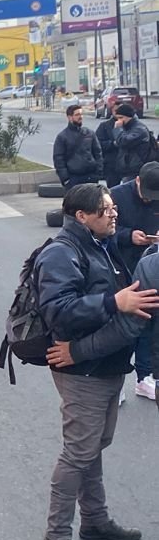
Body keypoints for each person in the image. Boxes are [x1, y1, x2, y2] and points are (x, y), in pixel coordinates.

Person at [35, 182, 159, 540]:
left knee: (93, 445)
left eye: (112, 208)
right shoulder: (61, 253)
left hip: (104, 365)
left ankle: (94, 519)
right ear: (81, 216)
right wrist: (114, 301)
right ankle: (56, 535)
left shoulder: (99, 245)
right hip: (82, 370)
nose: (114, 213)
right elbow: (58, 311)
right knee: (78, 452)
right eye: (105, 210)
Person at [110, 162, 159, 400]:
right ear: (137, 181)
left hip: (152, 269)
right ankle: (115, 377)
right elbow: (104, 230)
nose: (150, 201)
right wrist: (128, 235)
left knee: (148, 323)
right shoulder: (115, 196)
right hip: (123, 267)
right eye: (147, 195)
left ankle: (144, 377)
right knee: (122, 327)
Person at [52, 102, 103, 187]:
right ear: (69, 117)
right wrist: (65, 178)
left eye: (81, 114)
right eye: (77, 115)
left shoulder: (89, 133)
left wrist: (98, 172)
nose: (81, 117)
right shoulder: (62, 137)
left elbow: (98, 153)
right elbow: (58, 159)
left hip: (91, 177)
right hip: (73, 178)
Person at [114, 102, 153, 180]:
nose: (119, 121)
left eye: (121, 118)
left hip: (136, 169)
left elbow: (123, 142)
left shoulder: (139, 129)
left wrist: (118, 129)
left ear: (129, 117)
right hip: (128, 169)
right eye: (118, 118)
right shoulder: (128, 127)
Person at [95, 114, 121, 188]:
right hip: (111, 165)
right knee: (113, 190)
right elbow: (98, 144)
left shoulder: (130, 126)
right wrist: (112, 144)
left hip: (128, 166)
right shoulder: (105, 126)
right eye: (116, 111)